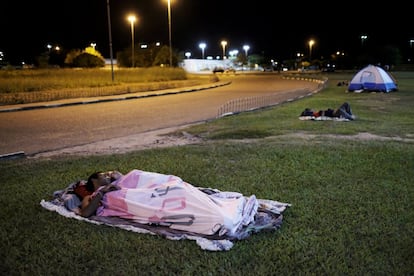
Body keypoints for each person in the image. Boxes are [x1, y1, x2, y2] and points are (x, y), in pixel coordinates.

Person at [78, 169, 260, 237]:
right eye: (104, 176)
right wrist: (102, 194)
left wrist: (121, 179)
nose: (109, 175)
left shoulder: (127, 178)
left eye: (110, 173)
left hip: (166, 191)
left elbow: (147, 181)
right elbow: (86, 213)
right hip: (143, 201)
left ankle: (221, 210)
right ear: (93, 183)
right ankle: (221, 217)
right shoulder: (95, 195)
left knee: (179, 189)